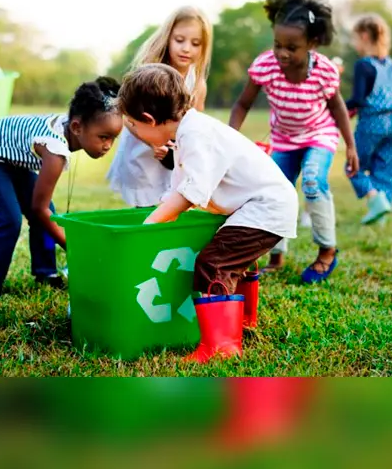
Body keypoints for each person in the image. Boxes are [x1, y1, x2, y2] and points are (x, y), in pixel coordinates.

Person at [118, 64, 299, 363]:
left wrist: (150, 224)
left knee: (214, 264)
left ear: (149, 119)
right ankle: (243, 322)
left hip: (265, 207)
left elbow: (189, 194)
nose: (135, 133)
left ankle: (222, 346)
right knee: (235, 259)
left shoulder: (197, 135)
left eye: (134, 127)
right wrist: (164, 212)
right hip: (260, 204)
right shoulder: (190, 131)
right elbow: (178, 187)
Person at [229, 0, 358, 283]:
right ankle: (276, 254)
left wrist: (350, 146)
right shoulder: (265, 66)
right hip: (284, 139)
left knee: (312, 180)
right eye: (277, 44)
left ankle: (327, 251)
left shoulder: (324, 71)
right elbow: (242, 103)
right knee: (274, 191)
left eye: (291, 47)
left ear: (312, 43)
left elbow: (337, 108)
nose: (282, 53)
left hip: (319, 134)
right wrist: (231, 140)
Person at [0, 77, 123, 297]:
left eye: (113, 138)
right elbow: (39, 208)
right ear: (76, 127)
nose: (108, 146)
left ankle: (46, 272)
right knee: (9, 220)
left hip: (9, 157)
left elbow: (43, 209)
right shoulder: (55, 149)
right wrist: (71, 246)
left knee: (49, 215)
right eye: (103, 137)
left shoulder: (72, 125)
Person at [106, 6, 213, 207]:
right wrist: (153, 143)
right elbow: (127, 116)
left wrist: (173, 149)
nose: (186, 48)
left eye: (195, 43)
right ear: (167, 38)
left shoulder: (197, 84)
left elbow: (194, 125)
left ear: (203, 48)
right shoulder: (148, 74)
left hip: (171, 156)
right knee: (145, 203)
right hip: (142, 150)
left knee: (170, 201)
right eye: (179, 40)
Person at [345, 14, 392, 224]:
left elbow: (358, 99)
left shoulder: (363, 65)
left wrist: (337, 107)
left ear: (363, 36)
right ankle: (381, 216)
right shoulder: (390, 64)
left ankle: (374, 201)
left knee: (354, 167)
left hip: (372, 123)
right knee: (385, 170)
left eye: (354, 38)